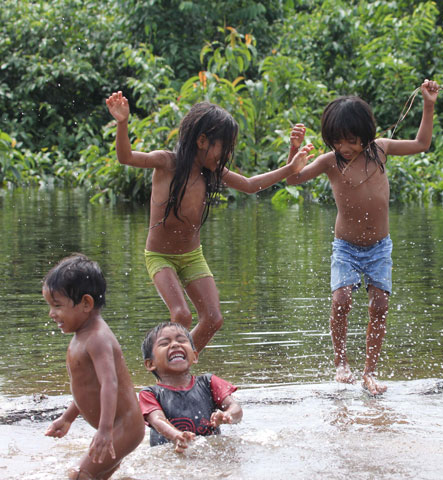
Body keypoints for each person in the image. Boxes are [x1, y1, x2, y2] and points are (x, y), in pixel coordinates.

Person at [106, 92, 313, 352]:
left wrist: (290, 169)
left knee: (214, 319)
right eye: (222, 148)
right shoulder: (167, 162)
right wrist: (122, 123)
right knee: (181, 314)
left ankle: (178, 365)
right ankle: (167, 366)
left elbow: (249, 185)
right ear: (202, 141)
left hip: (193, 257)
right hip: (160, 257)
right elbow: (126, 157)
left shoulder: (212, 172)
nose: (224, 156)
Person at [287, 80, 441, 395]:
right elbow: (293, 177)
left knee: (380, 304)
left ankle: (370, 372)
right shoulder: (329, 162)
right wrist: (294, 151)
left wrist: (428, 103)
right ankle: (341, 361)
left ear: (365, 134)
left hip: (379, 247)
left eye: (352, 141)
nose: (345, 148)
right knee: (341, 298)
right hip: (345, 247)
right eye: (338, 142)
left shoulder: (381, 149)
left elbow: (422, 144)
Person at [43, 254, 145, 480]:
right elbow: (88, 387)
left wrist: (105, 430)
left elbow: (109, 383)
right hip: (117, 426)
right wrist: (68, 417)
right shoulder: (82, 334)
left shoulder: (97, 338)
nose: (52, 314)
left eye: (57, 305)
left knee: (79, 475)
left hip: (123, 427)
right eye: (50, 306)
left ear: (86, 303)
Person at [139, 322, 242, 452]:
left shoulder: (209, 382)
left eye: (181, 340)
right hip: (172, 456)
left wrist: (228, 415)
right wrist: (176, 435)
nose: (175, 344)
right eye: (164, 343)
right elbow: (157, 419)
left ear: (195, 356)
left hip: (210, 452)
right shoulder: (149, 394)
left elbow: (236, 408)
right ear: (150, 364)